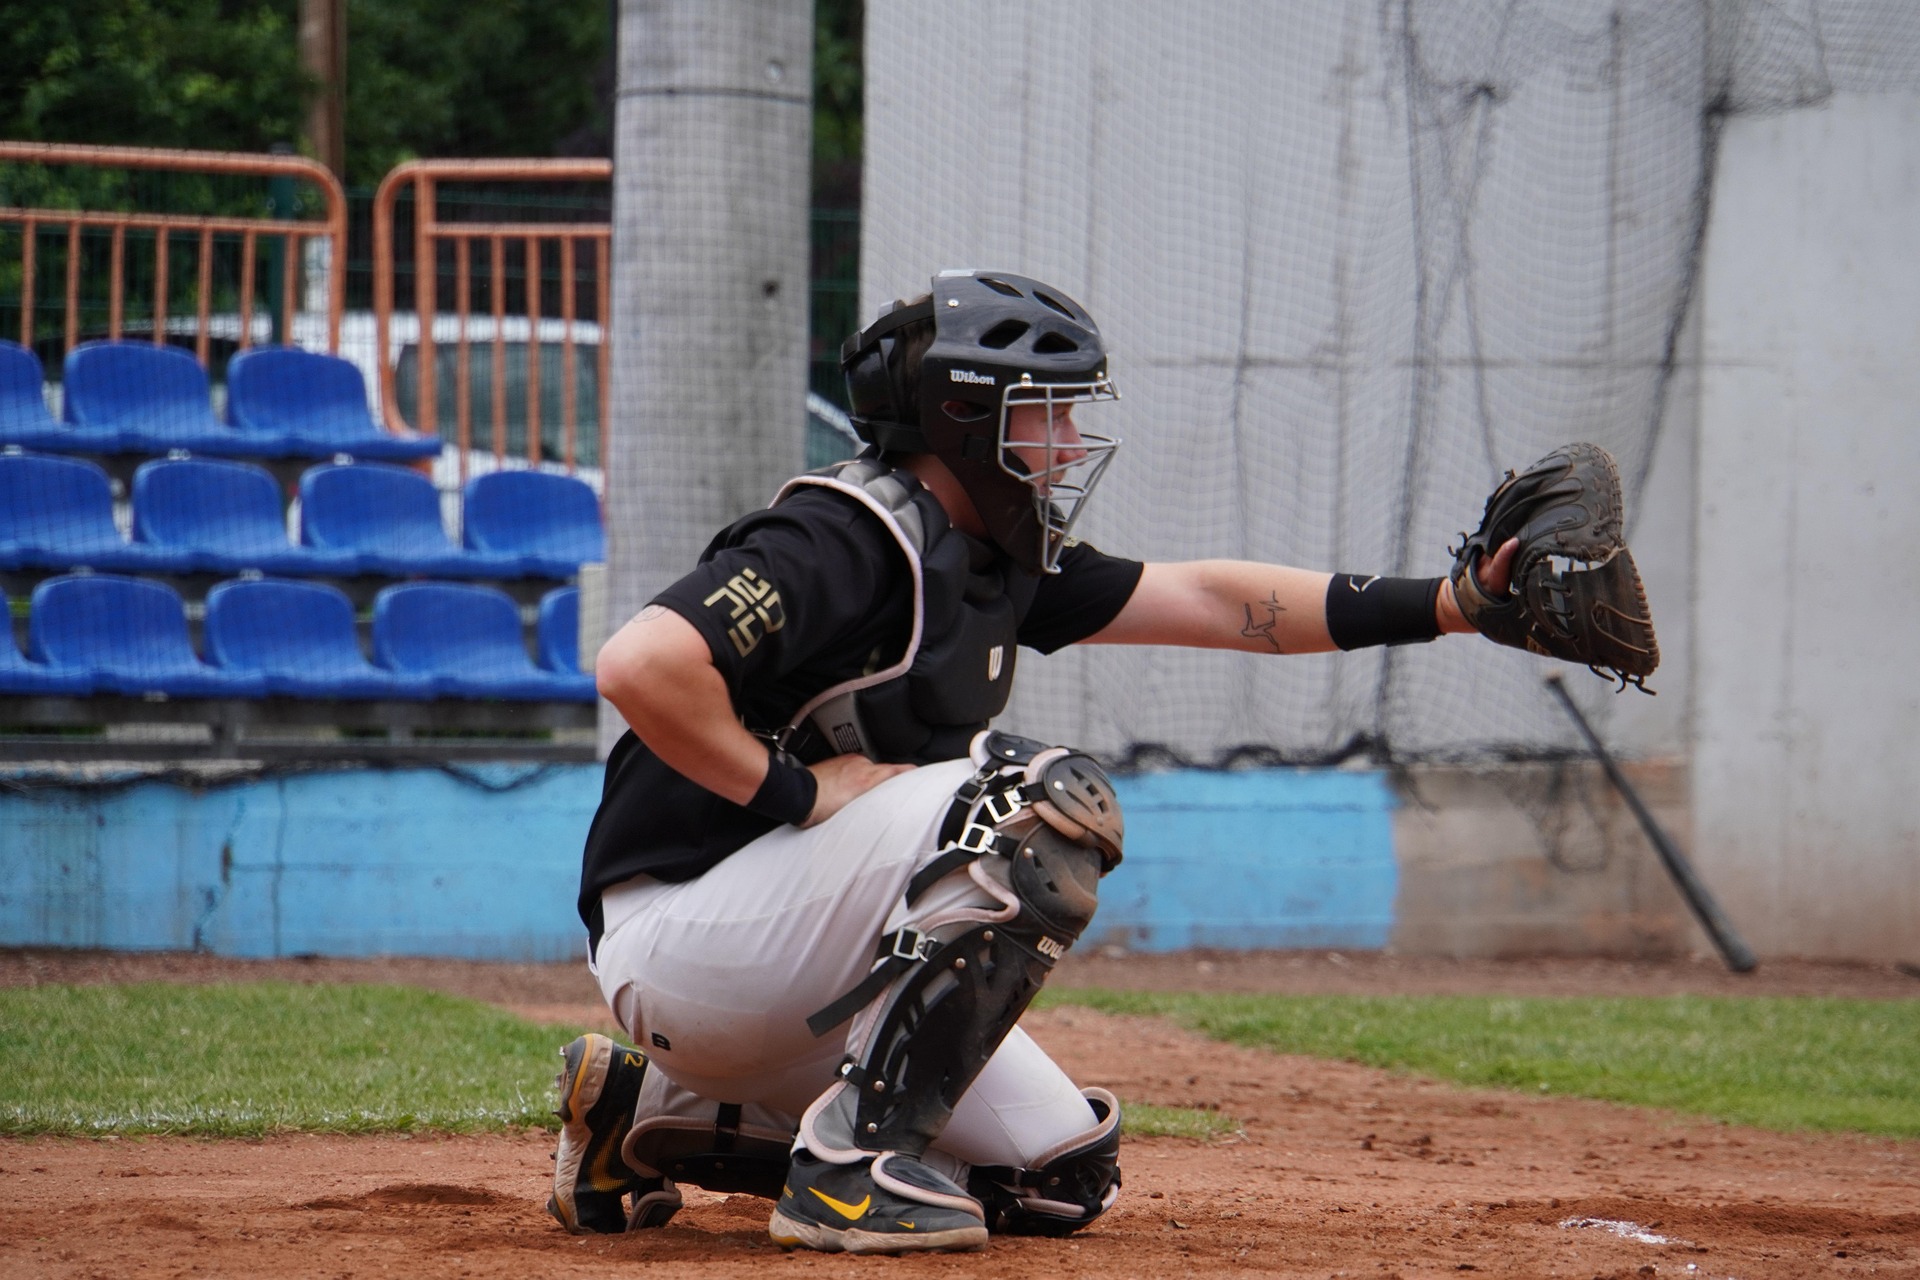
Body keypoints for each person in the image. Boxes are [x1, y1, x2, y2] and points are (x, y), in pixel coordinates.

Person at [548, 269, 1519, 1255]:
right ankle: (845, 1169)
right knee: (1035, 801)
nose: (1065, 442)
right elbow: (639, 662)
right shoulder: (840, 536)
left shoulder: (988, 556)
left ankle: (646, 1111)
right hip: (681, 932)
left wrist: (1452, 603)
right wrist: (793, 787)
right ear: (961, 415)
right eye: (1043, 411)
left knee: (1055, 1172)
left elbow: (1215, 600)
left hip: (775, 970)